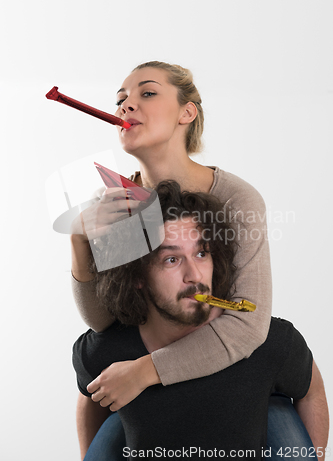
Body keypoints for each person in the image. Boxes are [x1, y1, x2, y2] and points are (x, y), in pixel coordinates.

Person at [70, 61, 311, 457]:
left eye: (146, 93)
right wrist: (80, 240)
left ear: (187, 112)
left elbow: (247, 327)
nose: (126, 106)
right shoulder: (118, 202)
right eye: (120, 100)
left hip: (233, 378)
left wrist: (144, 372)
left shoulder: (238, 199)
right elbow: (105, 320)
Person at [73, 181, 329, 460]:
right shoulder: (105, 350)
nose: (194, 274)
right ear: (136, 277)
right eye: (171, 259)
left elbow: (311, 390)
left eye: (201, 253)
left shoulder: (267, 342)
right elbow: (92, 397)